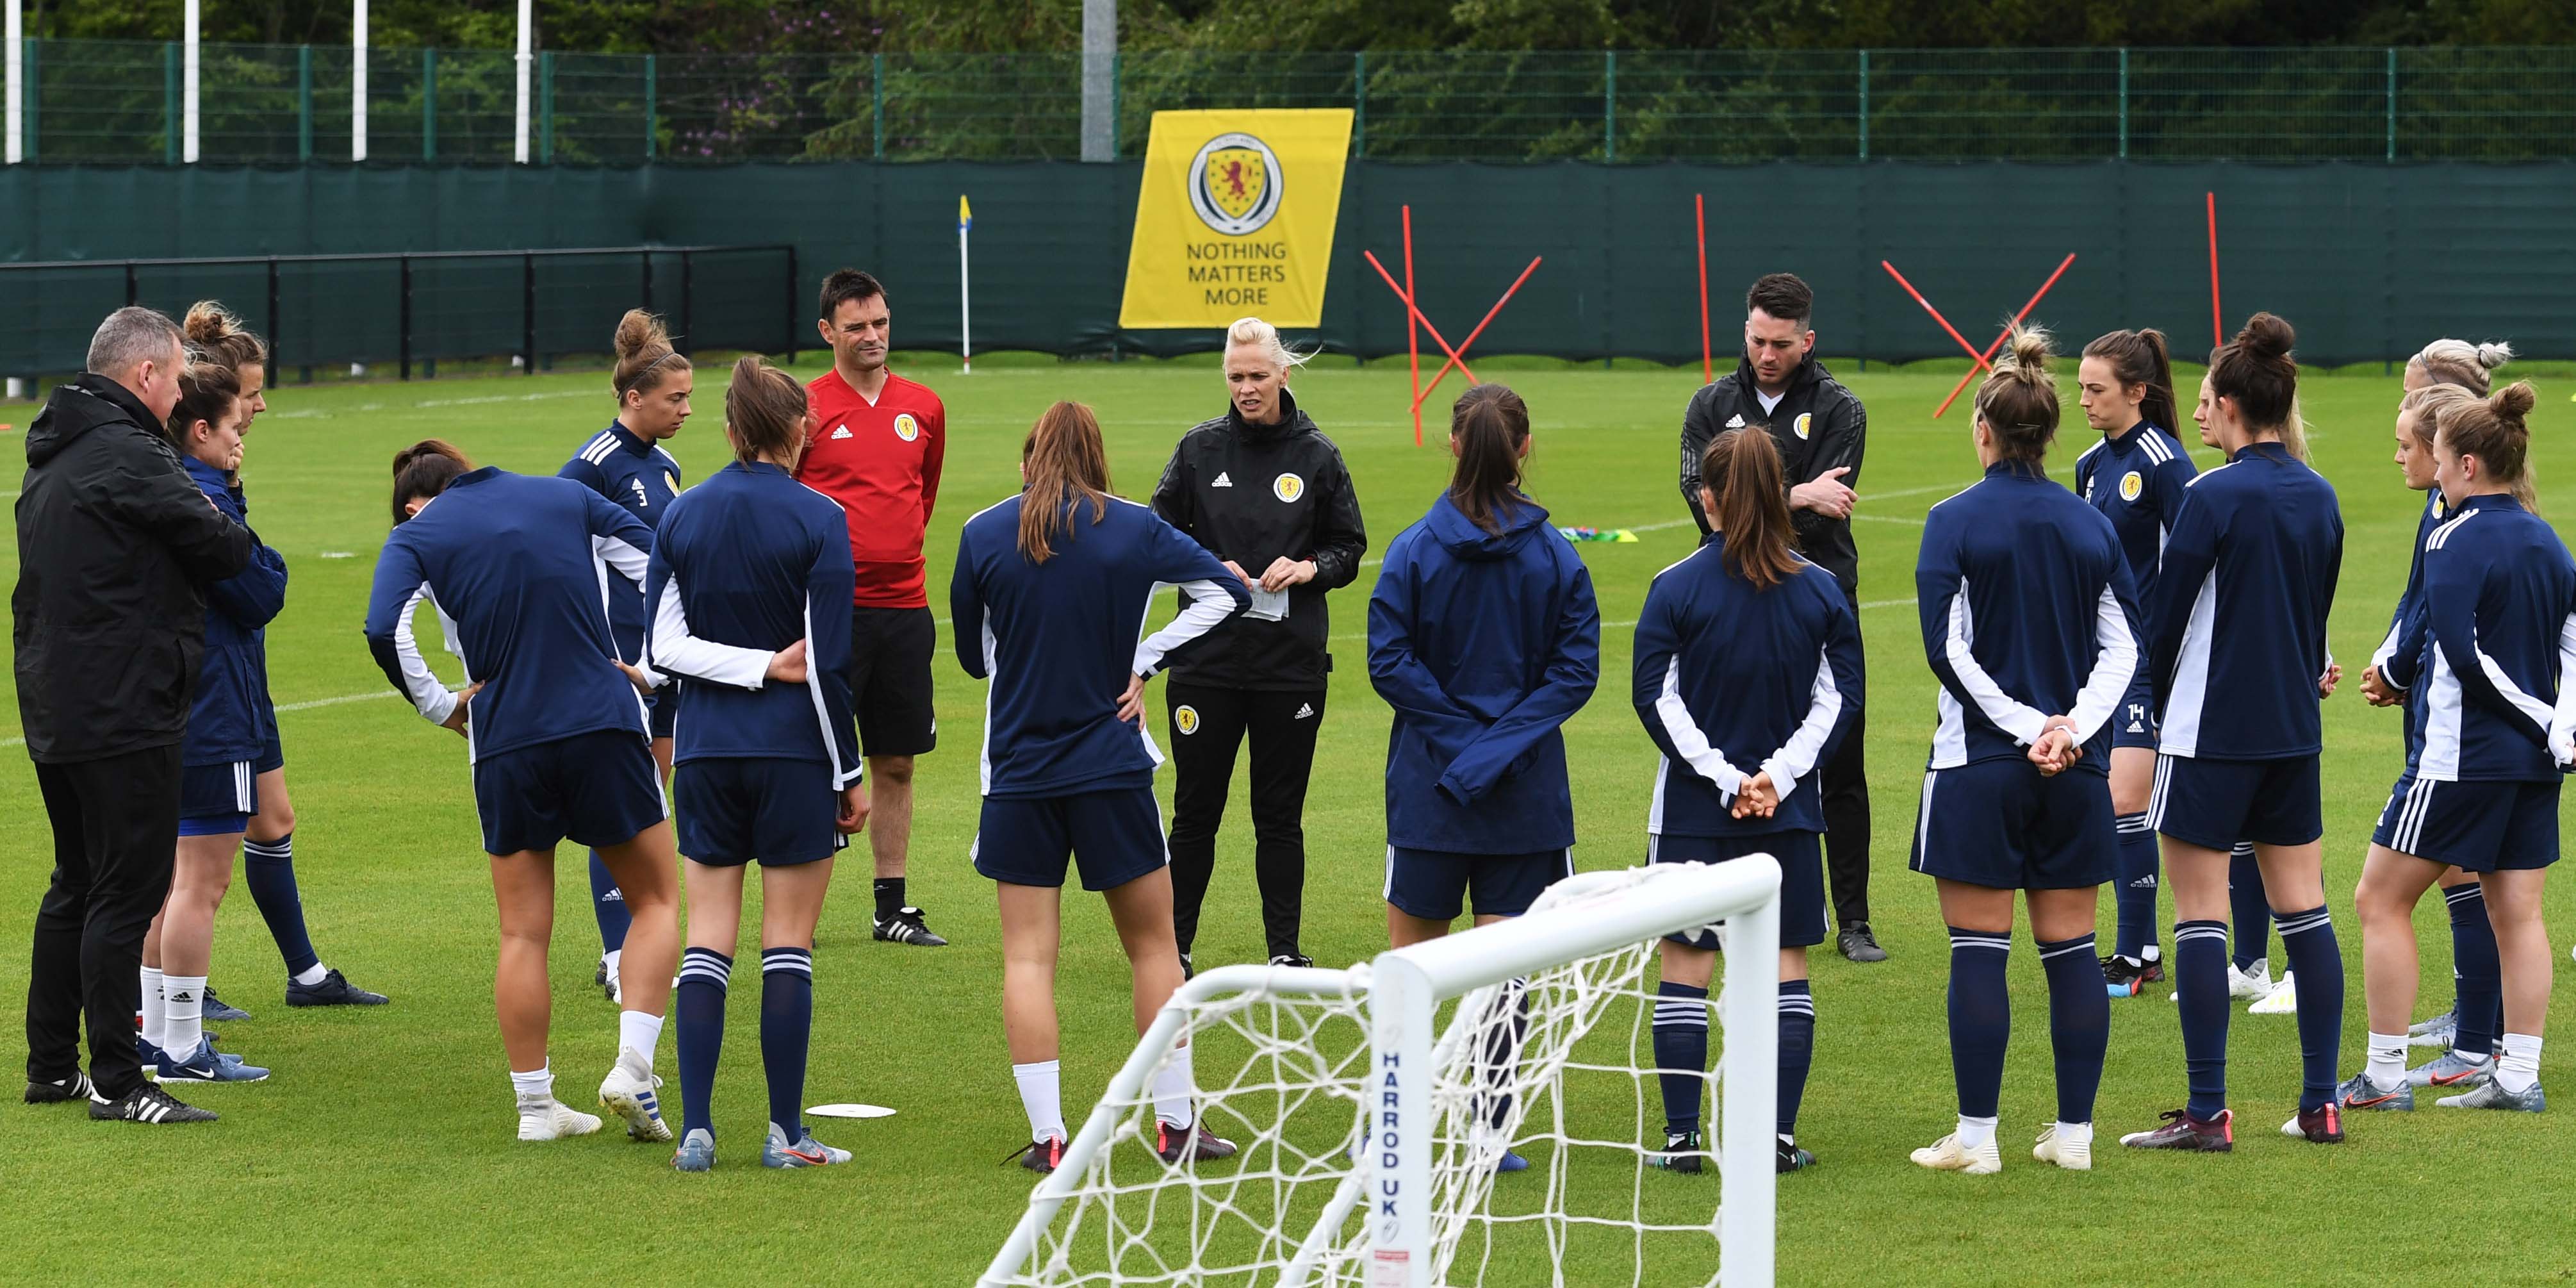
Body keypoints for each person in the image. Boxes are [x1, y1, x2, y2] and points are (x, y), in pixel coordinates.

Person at [950, 400, 1249, 1175]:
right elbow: (1227, 592)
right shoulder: (1133, 526)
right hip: (1112, 769)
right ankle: (1177, 1127)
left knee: (1027, 959)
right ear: (1097, 458)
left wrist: (1052, 654)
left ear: (1029, 460)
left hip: (1018, 773)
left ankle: (1050, 1138)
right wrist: (1141, 661)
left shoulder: (984, 532)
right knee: (1154, 950)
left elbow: (975, 661)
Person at [364, 440, 682, 1145]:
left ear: (419, 499)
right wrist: (656, 668)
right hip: (602, 719)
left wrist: (442, 705)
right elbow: (661, 559)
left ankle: (536, 1108)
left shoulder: (418, 535)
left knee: (522, 931)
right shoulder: (565, 494)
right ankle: (633, 1068)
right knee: (656, 899)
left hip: (504, 737)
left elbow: (383, 628)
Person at [1903, 328, 2134, 1176]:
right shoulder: (2089, 521)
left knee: (1979, 948)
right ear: (2049, 434)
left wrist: (2023, 725)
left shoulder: (1950, 521)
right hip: (2074, 768)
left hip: (1980, 765)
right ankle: (2072, 1137)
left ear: (1984, 430)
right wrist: (2067, 727)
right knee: (2071, 946)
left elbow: (1946, 647)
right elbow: (2124, 647)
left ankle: (1977, 1137)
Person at [18, 306, 252, 1125]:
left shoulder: (55, 450)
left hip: (54, 698)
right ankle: (120, 1081)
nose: (182, 392)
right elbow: (226, 549)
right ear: (146, 375)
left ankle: (52, 1067)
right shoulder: (129, 452)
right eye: (177, 378)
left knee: (76, 882)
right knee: (127, 889)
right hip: (125, 702)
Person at [2123, 313, 2348, 1152]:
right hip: (2291, 735)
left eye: (2208, 403)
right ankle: (2321, 1102)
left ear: (2224, 405)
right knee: (2306, 912)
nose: (2202, 415)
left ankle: (2209, 1113)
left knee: (2199, 915)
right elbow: (2314, 613)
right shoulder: (2319, 493)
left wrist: (2140, 709)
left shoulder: (2208, 495)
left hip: (2208, 734)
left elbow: (2164, 624)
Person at [649, 357, 868, 1171]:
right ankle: (784, 1134)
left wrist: (743, 666)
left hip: (705, 752)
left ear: (732, 431)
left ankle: (697, 1129)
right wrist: (847, 773)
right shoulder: (821, 518)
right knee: (787, 944)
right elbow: (826, 667)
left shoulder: (683, 515)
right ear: (799, 429)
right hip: (792, 756)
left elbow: (659, 648)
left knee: (707, 940)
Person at [1634, 425, 1861, 1176]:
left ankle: (1680, 1140)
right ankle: (1775, 1137)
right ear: (1780, 499)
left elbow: (1655, 700)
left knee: (1685, 967)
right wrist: (1776, 779)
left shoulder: (1672, 587)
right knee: (1785, 968)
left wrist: (1727, 780)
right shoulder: (1821, 591)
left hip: (1695, 814)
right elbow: (1838, 701)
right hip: (1787, 815)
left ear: (1707, 500)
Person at [2343, 382, 2565, 1114]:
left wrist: (2539, 714)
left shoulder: (2451, 536)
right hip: (2534, 763)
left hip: (2458, 758)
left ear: (2468, 464)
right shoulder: (2545, 536)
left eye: (2436, 458)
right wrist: (2560, 723)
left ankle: (2380, 1079)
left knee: (2378, 899)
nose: (2431, 473)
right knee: (2518, 914)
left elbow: (2457, 653)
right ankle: (2517, 1077)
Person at [183, 302, 385, 1014]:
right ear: (212, 402)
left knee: (273, 818)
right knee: (192, 860)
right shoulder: (192, 482)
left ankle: (303, 975)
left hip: (241, 674)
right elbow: (253, 584)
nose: (263, 404)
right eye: (252, 394)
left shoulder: (219, 470)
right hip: (210, 685)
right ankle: (176, 992)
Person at [1151, 316, 1368, 975]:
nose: (1246, 388)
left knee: (1278, 816)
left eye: (1257, 376)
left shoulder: (1317, 456)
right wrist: (1211, 567)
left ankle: (1283, 950)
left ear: (1283, 373)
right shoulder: (1198, 451)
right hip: (1205, 667)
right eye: (1235, 377)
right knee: (1195, 813)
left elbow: (1349, 547)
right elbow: (1153, 536)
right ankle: (1173, 948)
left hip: (1288, 669)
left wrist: (1309, 570)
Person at [1679, 273, 1880, 962]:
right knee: (1726, 752)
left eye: (1782, 345)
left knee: (1839, 757)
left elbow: (1834, 505)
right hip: (1728, 600)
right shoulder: (1710, 404)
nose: (1767, 355)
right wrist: (1797, 494)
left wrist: (1757, 498)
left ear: (1807, 341)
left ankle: (1852, 920)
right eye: (1758, 340)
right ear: (1745, 332)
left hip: (1818, 601)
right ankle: (1712, 905)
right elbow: (1692, 494)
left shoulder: (1840, 408)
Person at [2361, 339, 2516, 1057]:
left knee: (2432, 882)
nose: (2400, 416)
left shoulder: (2464, 516)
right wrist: (2391, 661)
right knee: (2470, 876)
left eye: (2410, 397)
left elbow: (2437, 613)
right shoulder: (2448, 502)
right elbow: (2413, 598)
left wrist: (2397, 667)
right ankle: (2476, 1025)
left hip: (2458, 727)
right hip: (2453, 716)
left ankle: (2475, 1037)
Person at [136, 351, 280, 1086]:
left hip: (168, 706)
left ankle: (158, 1038)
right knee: (201, 884)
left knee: (168, 882)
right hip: (215, 706)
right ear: (198, 431)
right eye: (231, 425)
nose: (240, 437)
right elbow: (259, 589)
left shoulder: (166, 488)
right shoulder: (205, 500)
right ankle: (186, 1047)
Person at [800, 268, 951, 948]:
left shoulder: (924, 404)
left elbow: (922, 496)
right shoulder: (802, 407)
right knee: (814, 760)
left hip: (905, 610)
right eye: (857, 326)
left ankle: (891, 907)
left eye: (881, 323)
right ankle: (797, 916)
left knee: (896, 761)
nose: (872, 337)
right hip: (828, 614)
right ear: (828, 331)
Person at [559, 309, 694, 1003]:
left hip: (667, 656)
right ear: (633, 397)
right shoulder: (593, 465)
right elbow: (560, 549)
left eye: (689, 398)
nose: (686, 410)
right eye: (675, 399)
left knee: (650, 805)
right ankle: (617, 953)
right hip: (619, 658)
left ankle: (641, 939)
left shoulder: (665, 466)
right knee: (620, 808)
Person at [2072, 329, 2196, 1000]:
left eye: (2097, 389)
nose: (2084, 400)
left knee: (2126, 798)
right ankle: (2136, 949)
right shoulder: (2091, 464)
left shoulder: (2164, 462)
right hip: (2100, 665)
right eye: (2083, 387)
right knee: (2113, 799)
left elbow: (2199, 558)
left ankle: (2137, 950)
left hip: (2148, 662)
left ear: (2136, 392)